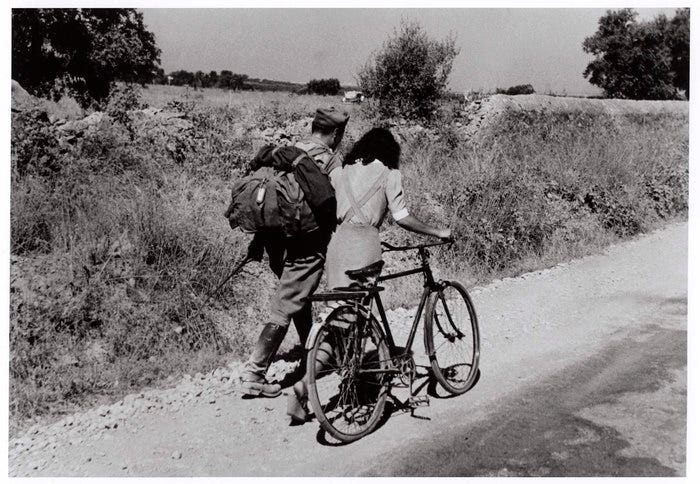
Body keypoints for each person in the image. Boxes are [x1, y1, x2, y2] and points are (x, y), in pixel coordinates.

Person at [286, 127, 451, 421]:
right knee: (360, 320)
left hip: (337, 247)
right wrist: (437, 230)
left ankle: (305, 386)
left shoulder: (342, 172)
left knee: (341, 320)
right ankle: (362, 385)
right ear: (390, 152)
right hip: (365, 246)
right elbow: (402, 218)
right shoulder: (390, 175)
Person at [240, 107, 349, 398]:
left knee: (297, 295)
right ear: (336, 134)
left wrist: (258, 241)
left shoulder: (290, 151)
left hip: (277, 241)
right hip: (307, 244)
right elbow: (341, 204)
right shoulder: (329, 160)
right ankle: (255, 371)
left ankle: (310, 352)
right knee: (287, 302)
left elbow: (274, 200)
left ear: (313, 127)